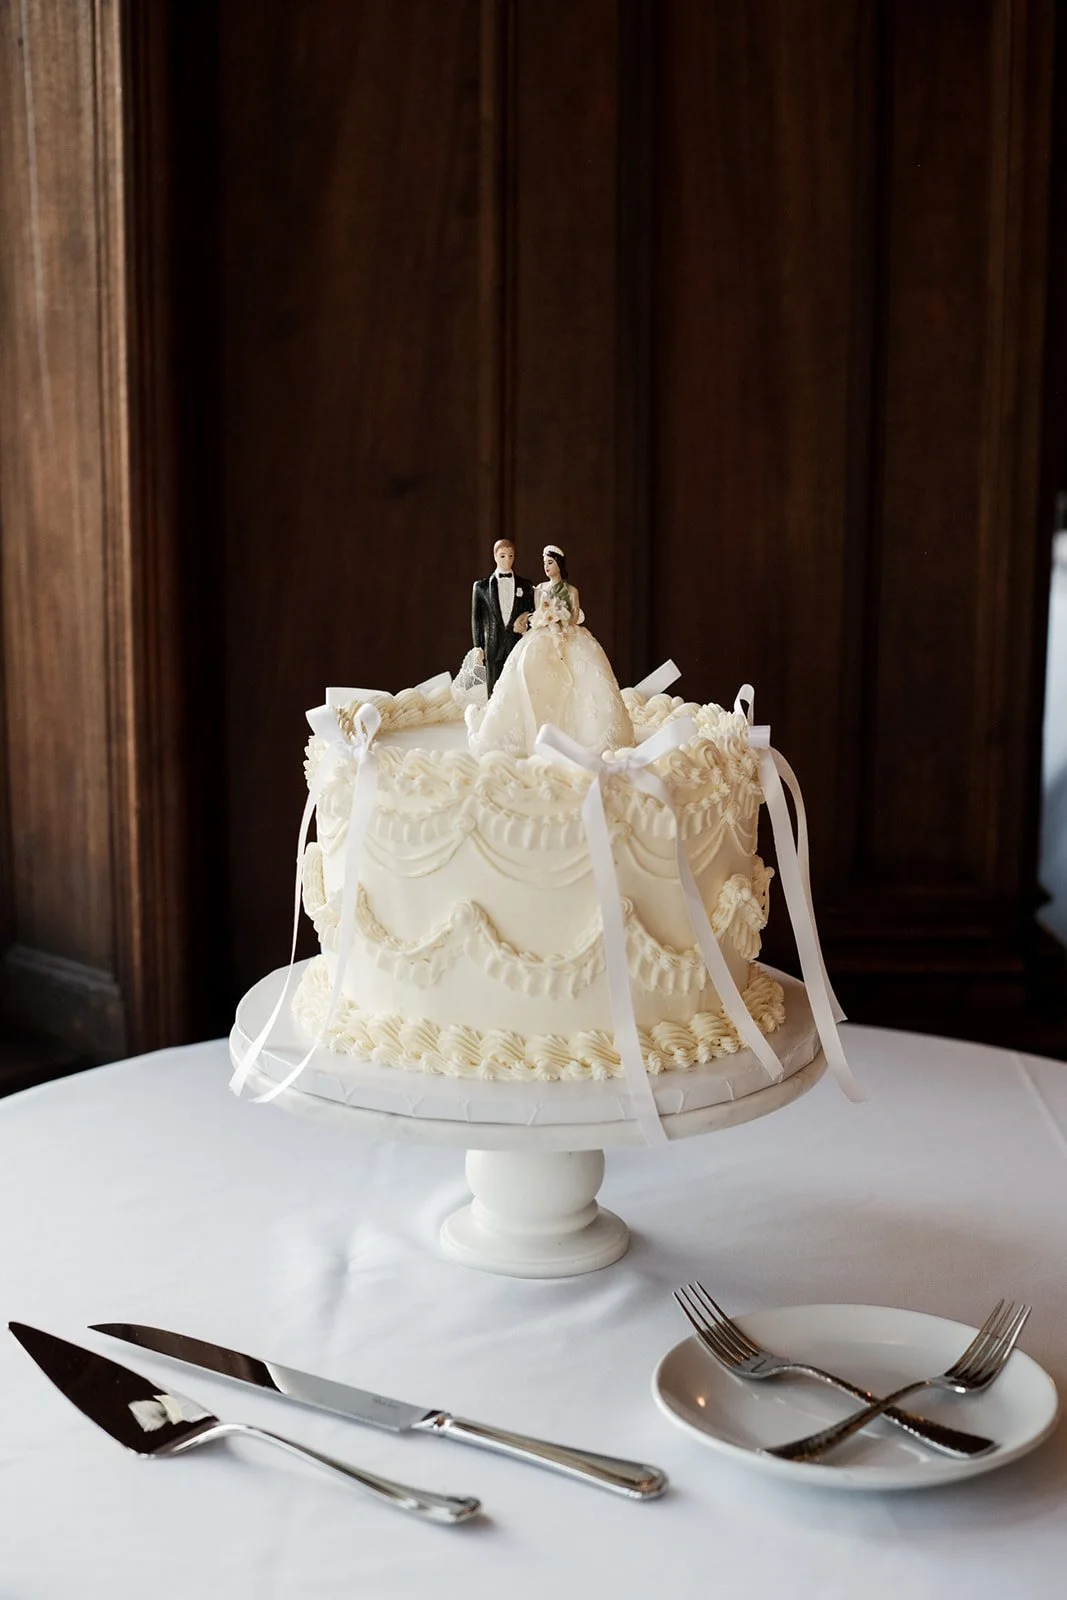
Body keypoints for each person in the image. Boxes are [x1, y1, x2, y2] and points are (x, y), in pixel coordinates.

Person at [465, 545, 634, 757]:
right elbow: (535, 611)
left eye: (550, 563)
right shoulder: (539, 588)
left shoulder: (571, 591)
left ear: (559, 565)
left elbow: (573, 617)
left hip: (568, 638)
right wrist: (537, 619)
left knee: (581, 680)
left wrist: (559, 618)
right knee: (528, 672)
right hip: (542, 636)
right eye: (544, 563)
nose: (546, 567)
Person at [470, 538, 536, 697]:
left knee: (517, 685)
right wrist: (478, 646)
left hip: (518, 642)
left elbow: (534, 612)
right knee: (493, 689)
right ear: (495, 556)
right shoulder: (481, 587)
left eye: (511, 556)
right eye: (503, 556)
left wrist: (526, 621)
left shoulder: (526, 585)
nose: (507, 560)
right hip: (493, 643)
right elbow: (476, 619)